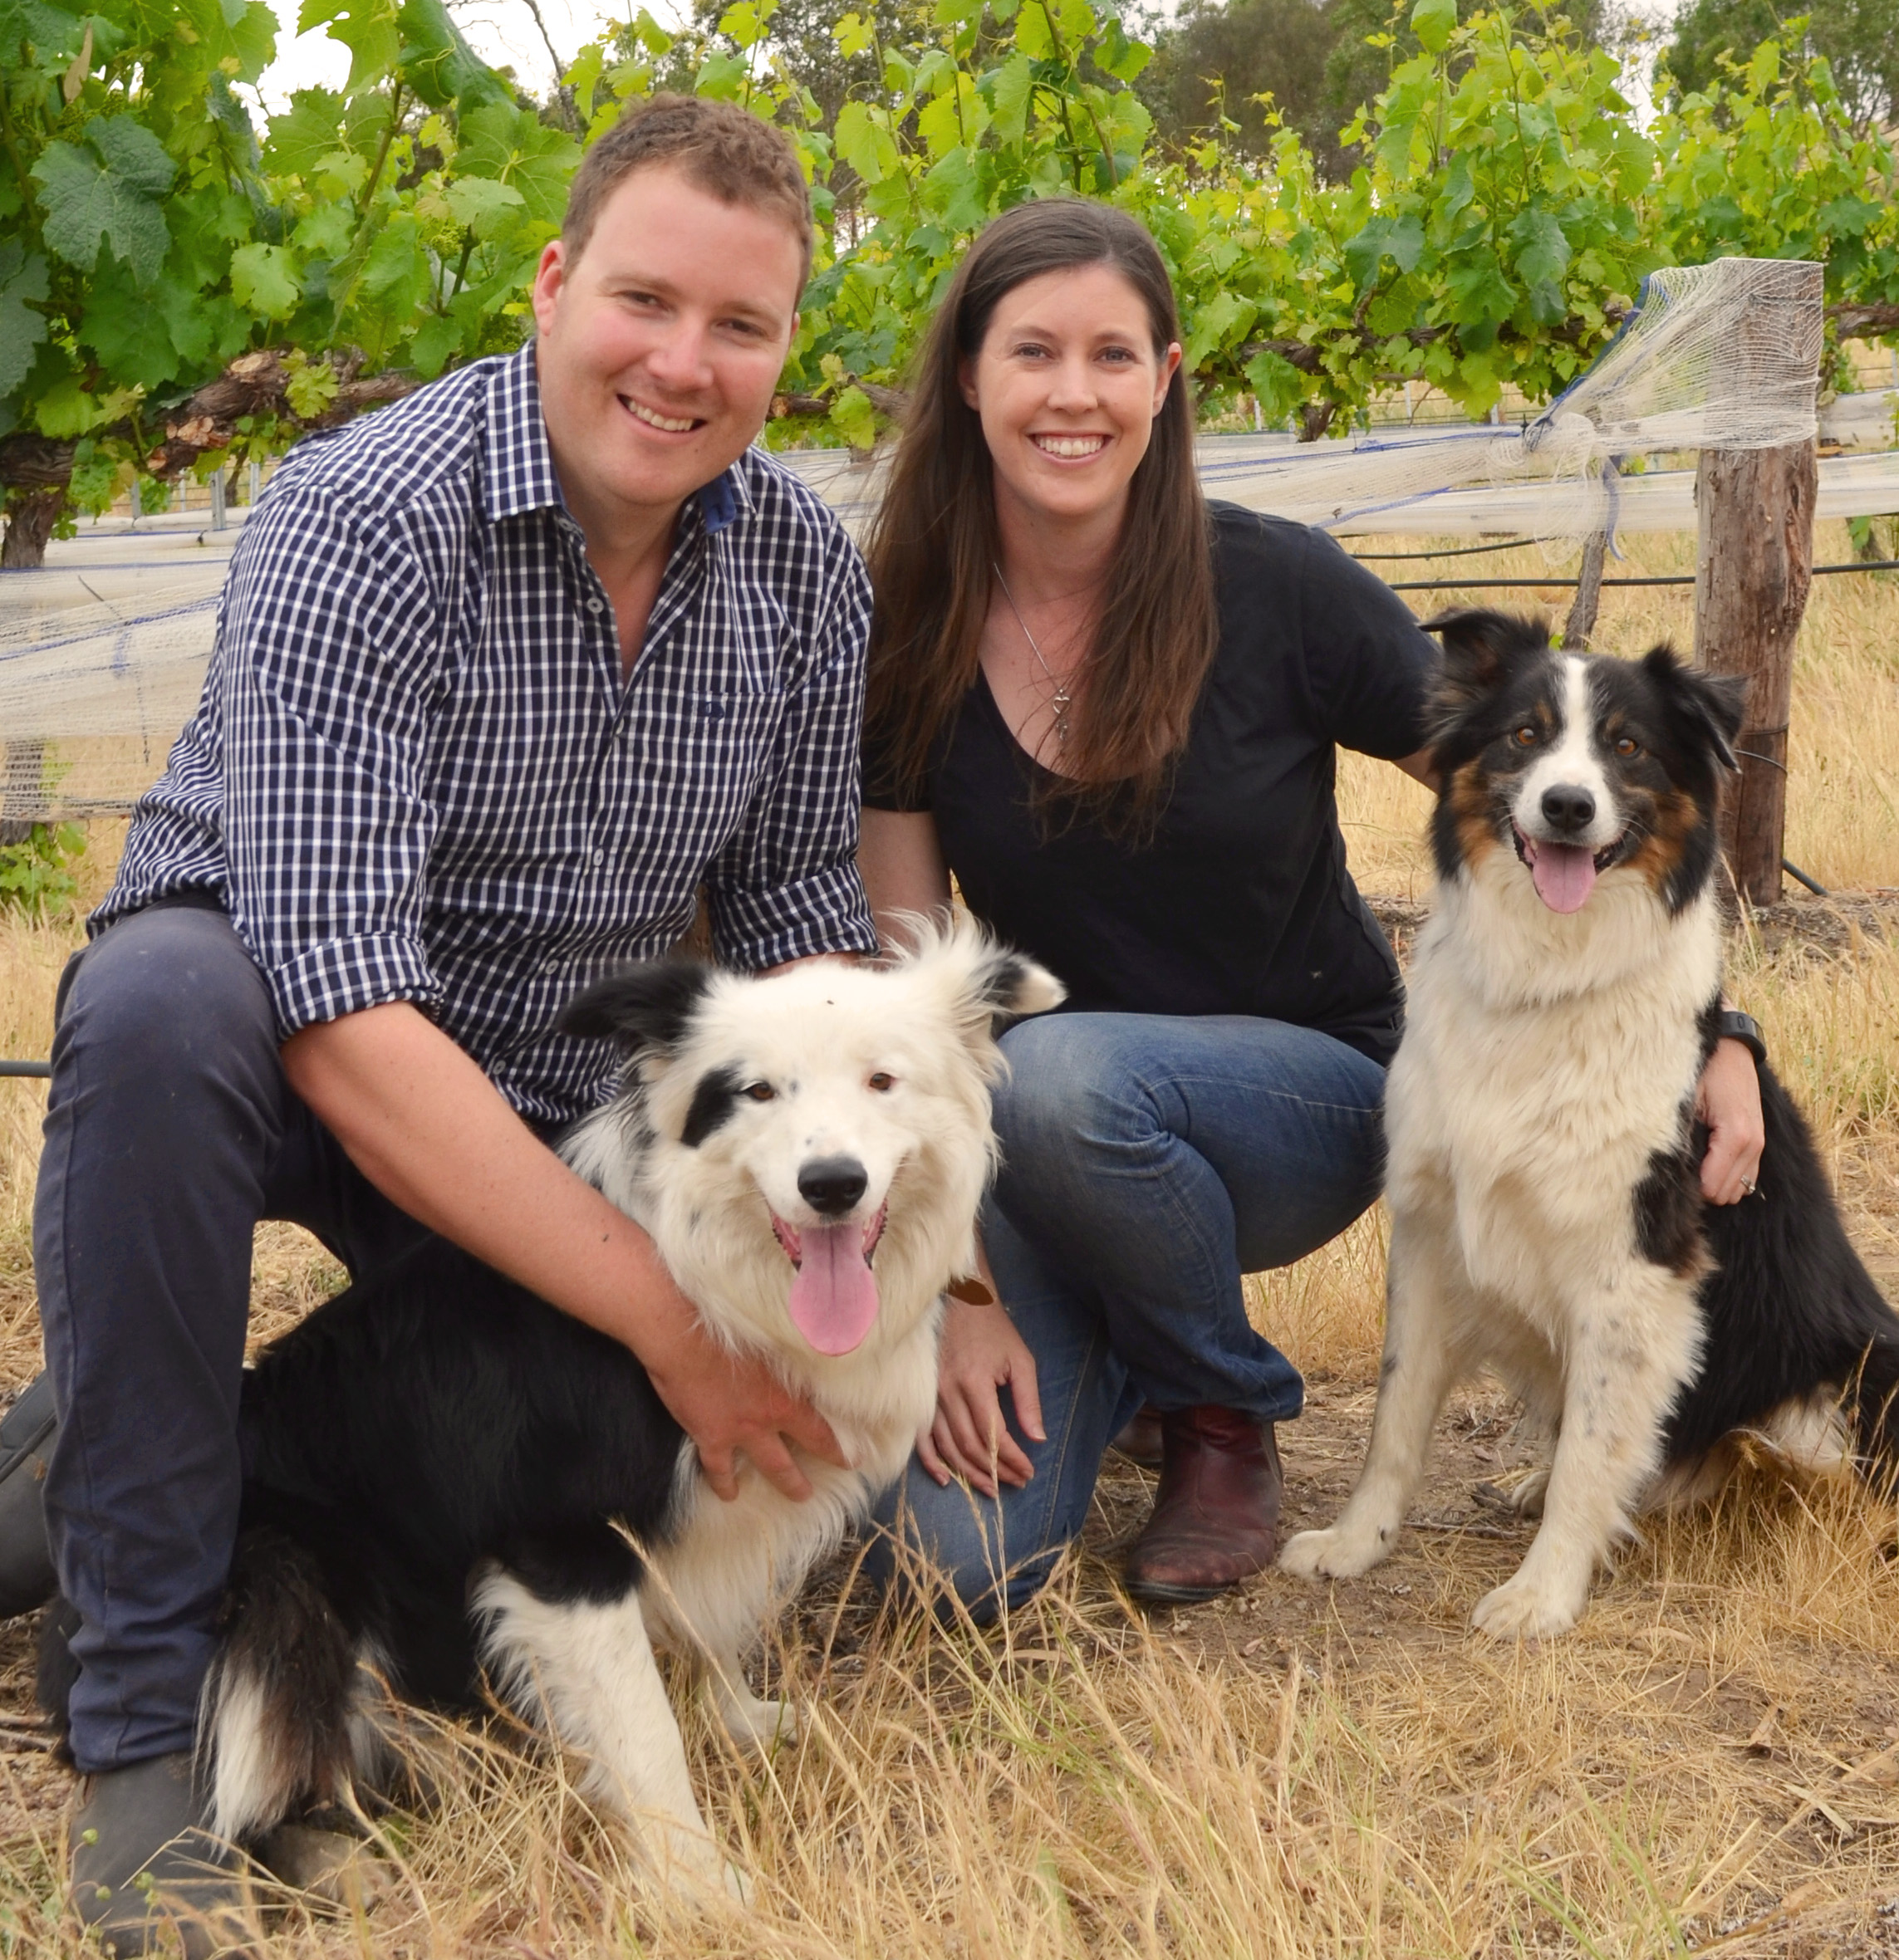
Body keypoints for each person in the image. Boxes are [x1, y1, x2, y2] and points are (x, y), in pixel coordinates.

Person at [2, 95, 879, 1953]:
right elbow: (335, 1002)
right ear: (554, 284)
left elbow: (806, 932)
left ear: (788, 347)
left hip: (563, 1100)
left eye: (745, 325)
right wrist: (662, 1319)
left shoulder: (804, 572)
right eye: (646, 299)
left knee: (465, 1520)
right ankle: (145, 1712)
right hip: (302, 1061)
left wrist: (924, 1268)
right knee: (159, 1000)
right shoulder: (362, 514)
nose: (686, 361)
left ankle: (98, 1453)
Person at [855, 198, 1768, 1617]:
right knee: (937, 1568)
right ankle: (1131, 1353)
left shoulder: (1274, 587)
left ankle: (1219, 1414)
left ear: (1163, 380)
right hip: (1039, 1139)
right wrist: (958, 1291)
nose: (1073, 393)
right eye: (1032, 351)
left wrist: (1719, 1031)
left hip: (1315, 1089)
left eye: (1112, 354)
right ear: (968, 375)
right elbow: (910, 983)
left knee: (1059, 1075)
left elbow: (1543, 801)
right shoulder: (907, 628)